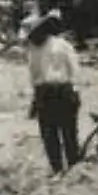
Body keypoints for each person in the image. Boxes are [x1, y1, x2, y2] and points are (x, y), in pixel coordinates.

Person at [27, 10, 83, 174]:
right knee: (69, 132)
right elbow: (74, 70)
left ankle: (58, 169)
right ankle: (73, 167)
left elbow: (34, 76)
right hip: (64, 90)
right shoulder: (64, 45)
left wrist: (35, 101)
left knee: (50, 135)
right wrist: (75, 91)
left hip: (45, 93)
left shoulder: (34, 49)